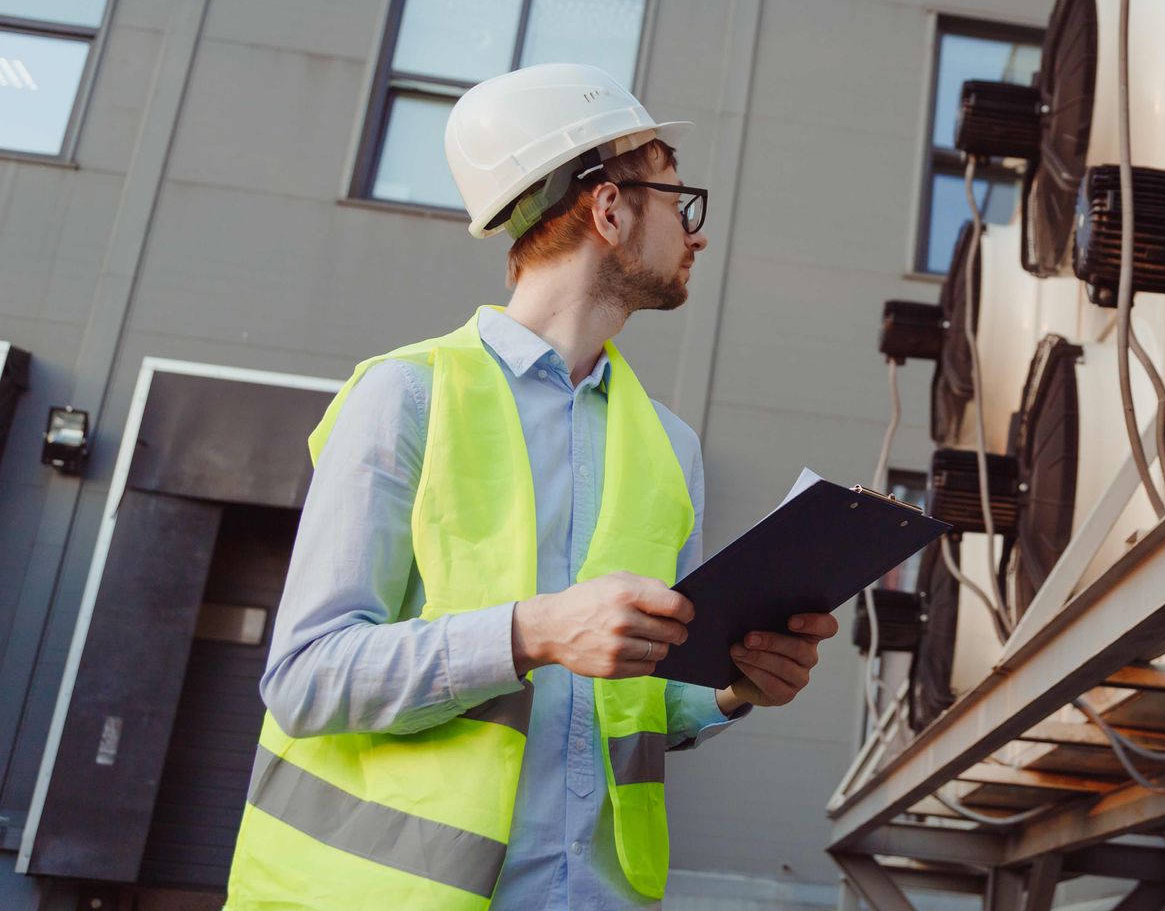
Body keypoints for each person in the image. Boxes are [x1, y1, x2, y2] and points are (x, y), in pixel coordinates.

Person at [226, 64, 837, 908]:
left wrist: (734, 687)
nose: (696, 234)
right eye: (677, 199)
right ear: (610, 208)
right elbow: (306, 678)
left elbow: (631, 707)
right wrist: (533, 632)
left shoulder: (670, 445)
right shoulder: (406, 395)